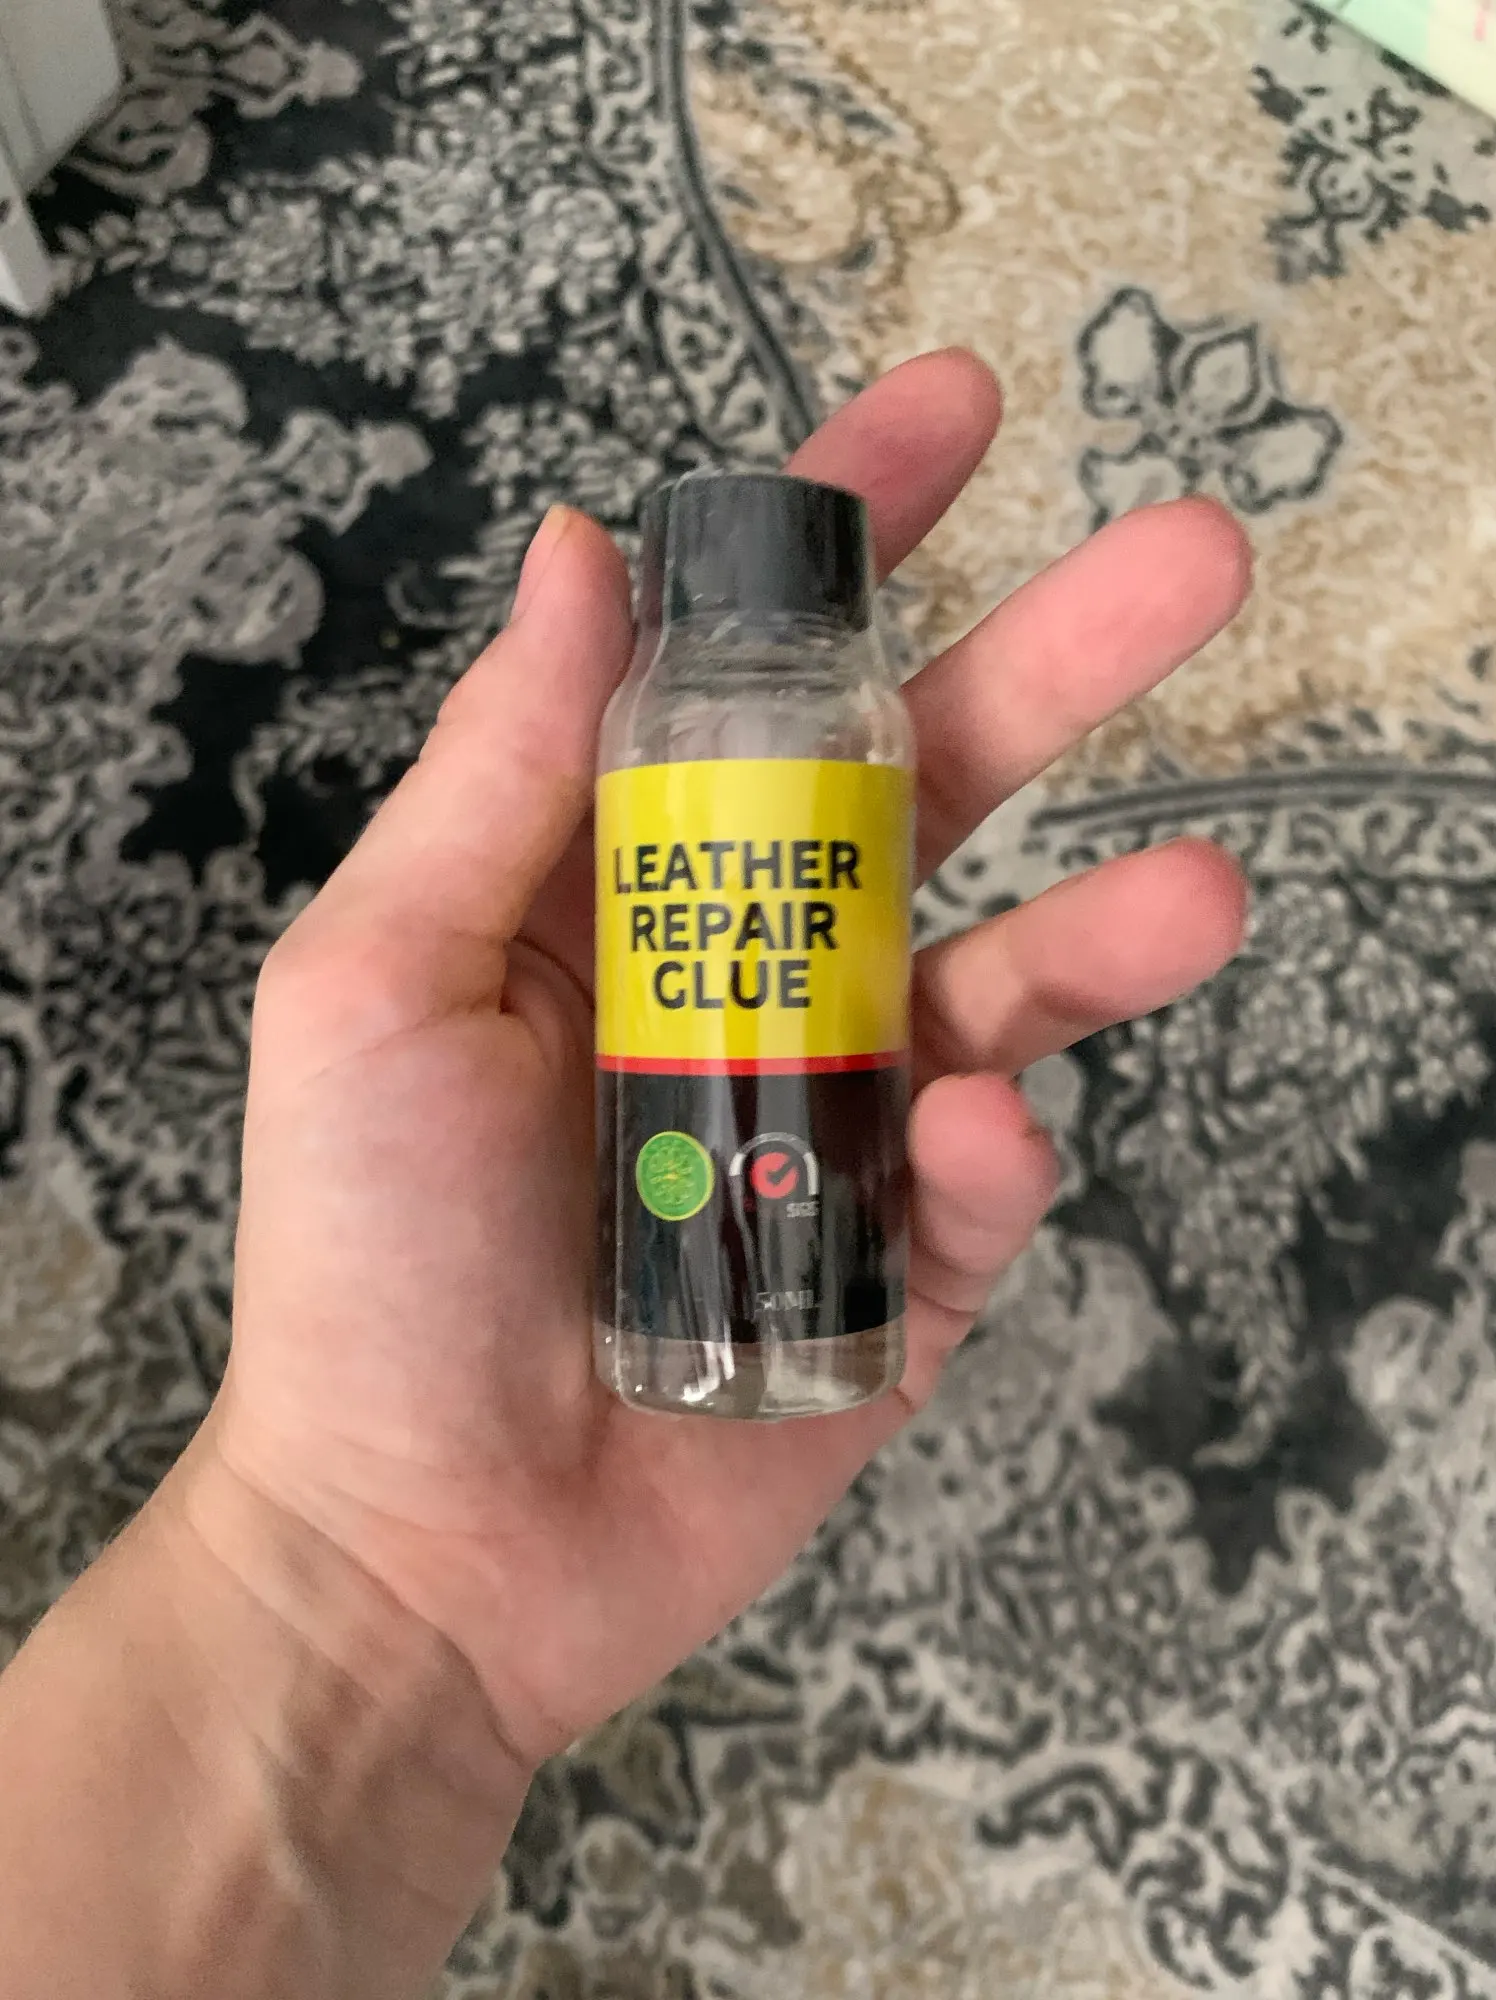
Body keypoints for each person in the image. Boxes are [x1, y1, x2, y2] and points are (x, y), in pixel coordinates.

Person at [0, 351, 1249, 1999]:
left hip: (805, 1191)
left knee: (874, 1143)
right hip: (667, 1239)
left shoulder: (843, 712)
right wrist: (342, 1571)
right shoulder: (667, 713)